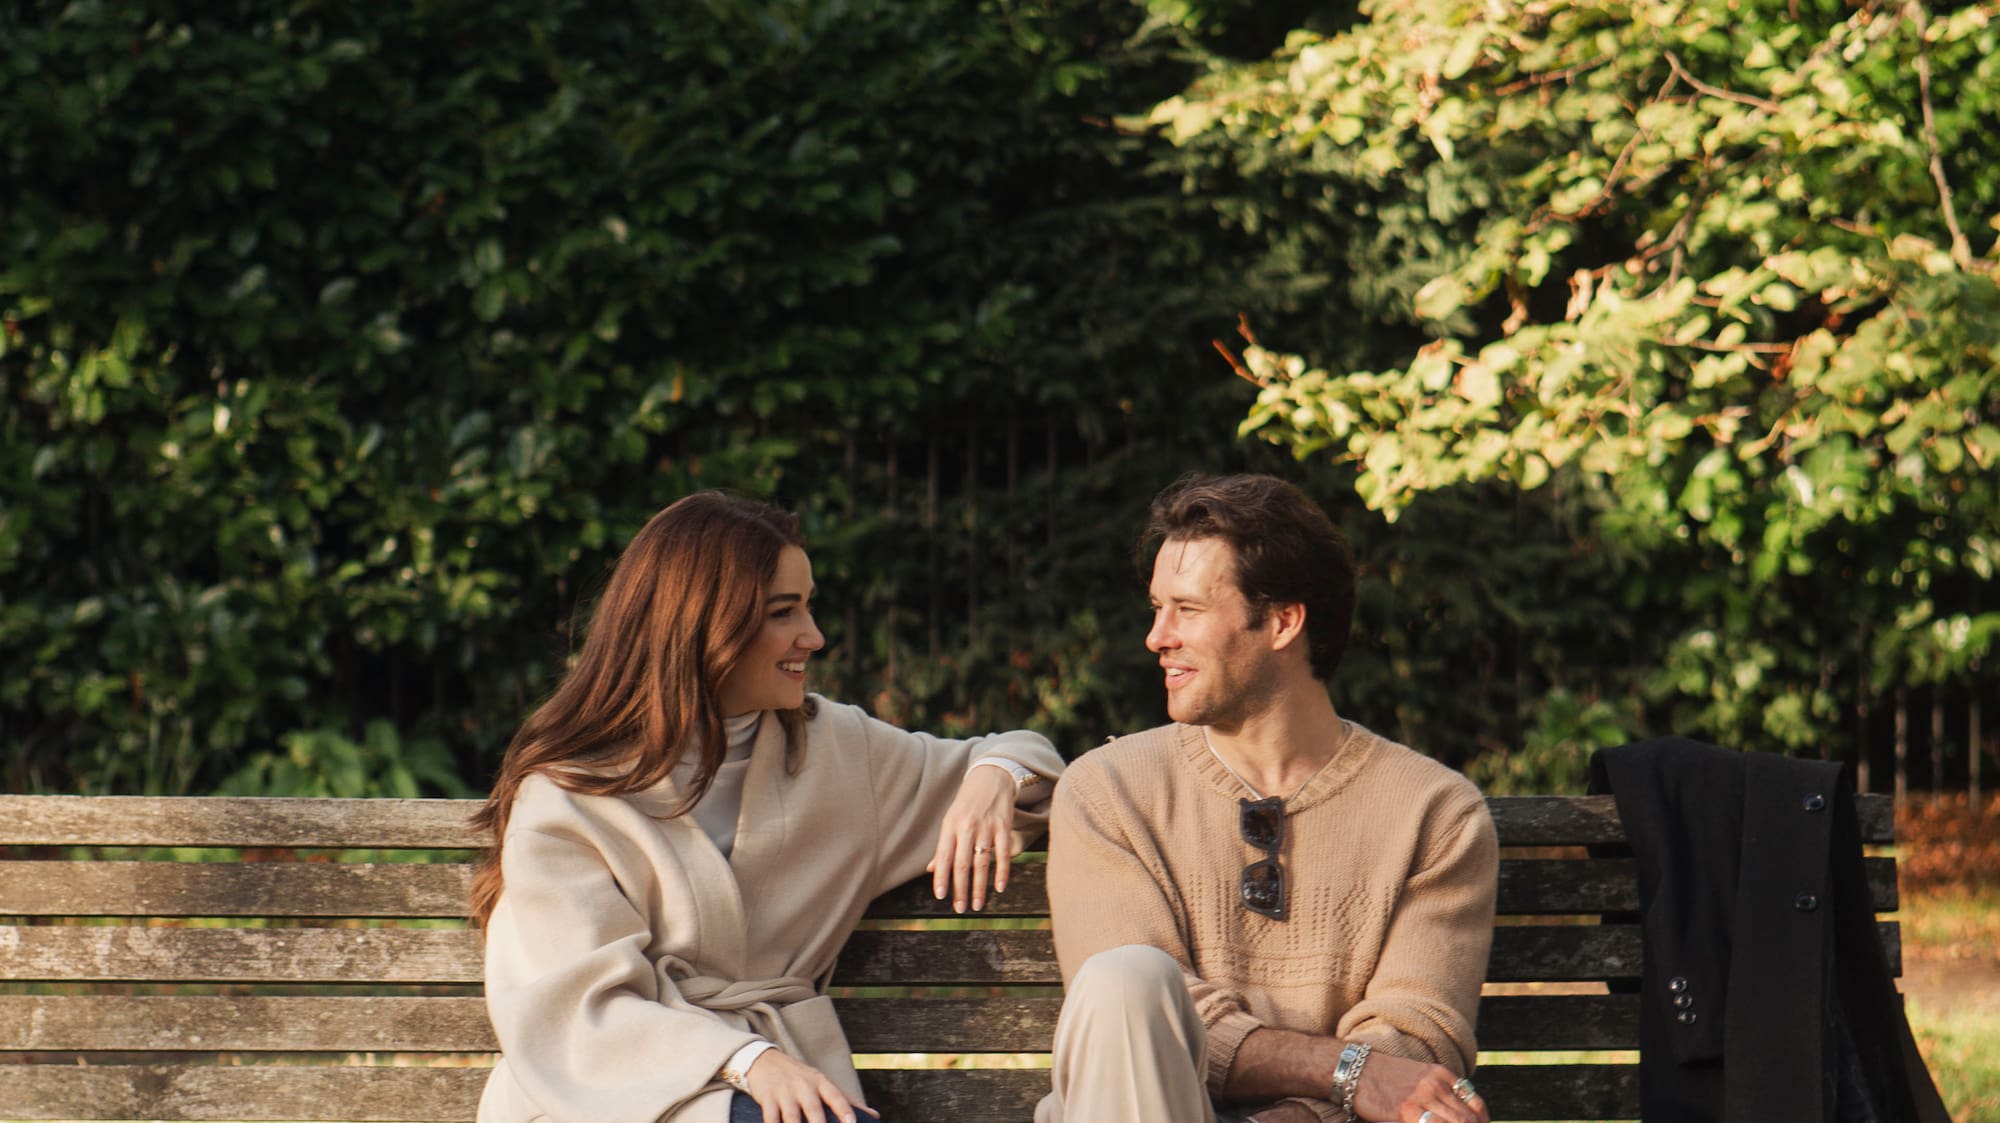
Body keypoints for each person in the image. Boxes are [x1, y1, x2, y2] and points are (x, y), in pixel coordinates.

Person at [470, 491, 1064, 1123]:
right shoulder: (568, 792)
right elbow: (578, 1011)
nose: (815, 636)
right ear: (703, 626)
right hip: (606, 1095)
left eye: (808, 607)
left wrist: (994, 776)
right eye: (786, 612)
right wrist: (748, 1059)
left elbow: (1044, 770)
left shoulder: (839, 751)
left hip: (783, 1095)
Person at [1037, 473, 1498, 1123]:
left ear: (1282, 621)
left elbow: (1414, 1042)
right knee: (1126, 981)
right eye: (1156, 607)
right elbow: (1141, 1028)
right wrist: (1346, 1070)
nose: (1156, 636)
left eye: (1187, 609)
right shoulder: (1108, 789)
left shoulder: (1434, 812)